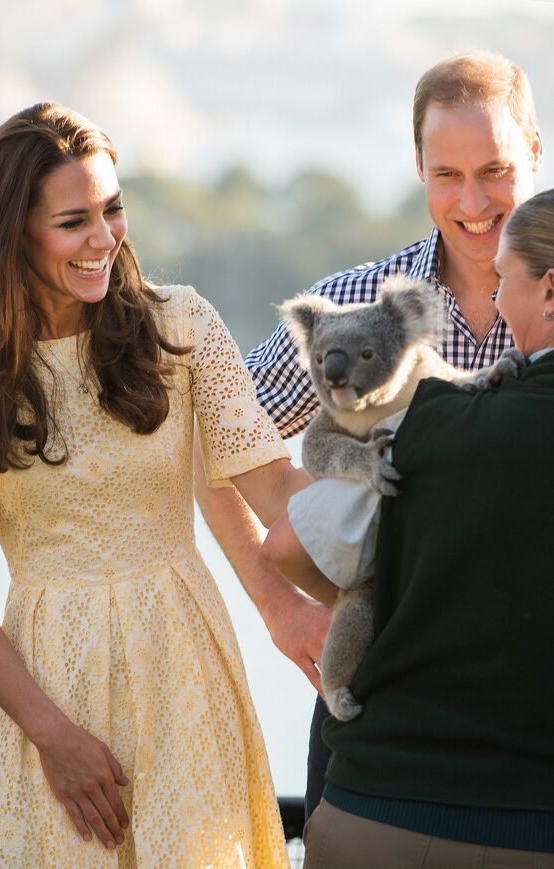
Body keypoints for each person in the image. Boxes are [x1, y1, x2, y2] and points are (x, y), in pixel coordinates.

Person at [0, 102, 312, 868]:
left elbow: (280, 489)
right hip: (43, 691)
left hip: (186, 674)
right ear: (12, 231)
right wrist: (52, 735)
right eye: (73, 220)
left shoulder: (180, 327)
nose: (104, 239)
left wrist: (392, 568)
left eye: (113, 209)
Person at [193, 50, 544, 818]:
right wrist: (280, 606)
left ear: (537, 153)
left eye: (495, 168)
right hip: (381, 695)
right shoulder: (351, 307)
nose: (474, 200)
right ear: (418, 167)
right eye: (447, 175)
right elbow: (209, 433)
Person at [265, 187, 554, 867]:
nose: (492, 302)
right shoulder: (429, 407)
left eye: (503, 281)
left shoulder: (434, 421)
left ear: (548, 292)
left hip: (382, 805)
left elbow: (286, 544)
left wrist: (379, 588)